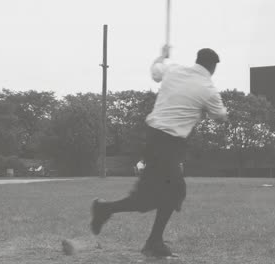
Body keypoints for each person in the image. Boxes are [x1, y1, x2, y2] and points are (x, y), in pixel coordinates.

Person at [90, 45, 228, 258]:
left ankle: (144, 235)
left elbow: (155, 71)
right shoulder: (208, 88)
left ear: (197, 60)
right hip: (169, 144)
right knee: (168, 193)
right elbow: (220, 116)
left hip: (154, 138)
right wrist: (204, 110)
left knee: (159, 195)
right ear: (212, 68)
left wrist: (162, 56)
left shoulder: (174, 70)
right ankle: (120, 219)